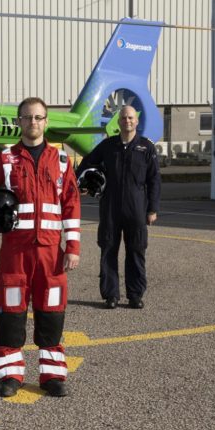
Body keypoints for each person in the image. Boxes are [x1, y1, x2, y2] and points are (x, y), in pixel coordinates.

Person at [0, 97, 81, 398]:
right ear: (18, 122)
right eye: (27, 118)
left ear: (46, 122)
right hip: (15, 254)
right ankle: (9, 374)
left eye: (39, 117)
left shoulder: (63, 161)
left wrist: (74, 245)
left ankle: (52, 375)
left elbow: (72, 205)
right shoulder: (4, 160)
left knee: (51, 313)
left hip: (52, 255)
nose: (33, 123)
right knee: (10, 314)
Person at [77, 105, 160, 310]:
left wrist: (152, 209)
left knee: (136, 252)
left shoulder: (146, 148)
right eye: (123, 118)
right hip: (110, 208)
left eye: (131, 118)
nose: (127, 121)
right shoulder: (107, 146)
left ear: (137, 121)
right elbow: (85, 165)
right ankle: (111, 295)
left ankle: (135, 295)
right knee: (108, 251)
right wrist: (85, 183)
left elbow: (154, 181)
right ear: (118, 121)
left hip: (136, 209)